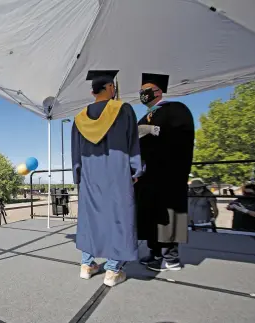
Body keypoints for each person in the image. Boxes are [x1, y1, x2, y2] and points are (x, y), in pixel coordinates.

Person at [71, 69, 143, 287]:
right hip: (117, 174)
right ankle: (112, 270)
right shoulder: (124, 110)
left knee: (91, 219)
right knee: (119, 219)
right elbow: (133, 144)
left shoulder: (79, 118)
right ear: (111, 88)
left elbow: (76, 154)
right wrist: (136, 170)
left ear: (93, 92)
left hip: (91, 178)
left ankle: (86, 265)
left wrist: (78, 177)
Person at [135, 73, 195, 272]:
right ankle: (154, 253)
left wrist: (153, 130)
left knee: (169, 213)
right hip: (148, 176)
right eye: (141, 90)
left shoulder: (176, 110)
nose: (143, 93)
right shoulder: (144, 117)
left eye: (147, 89)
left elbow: (181, 137)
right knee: (150, 213)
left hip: (169, 174)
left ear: (158, 91)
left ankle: (171, 257)